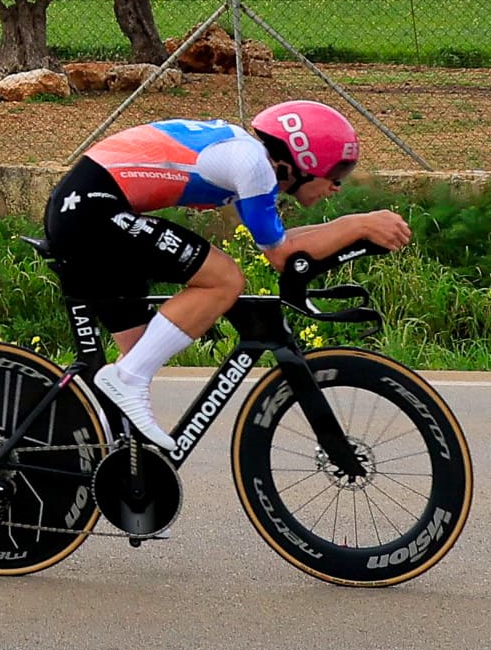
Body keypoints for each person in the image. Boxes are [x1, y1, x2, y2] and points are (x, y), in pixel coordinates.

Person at [42, 100, 411, 454]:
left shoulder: (246, 160)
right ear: (302, 164)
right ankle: (127, 380)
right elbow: (283, 257)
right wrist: (358, 224)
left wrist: (355, 226)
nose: (337, 186)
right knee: (224, 279)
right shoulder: (253, 165)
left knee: (140, 352)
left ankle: (119, 465)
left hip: (88, 207)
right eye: (336, 174)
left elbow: (280, 245)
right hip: (92, 209)